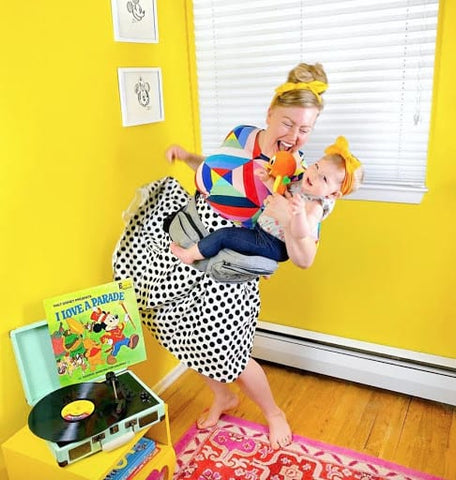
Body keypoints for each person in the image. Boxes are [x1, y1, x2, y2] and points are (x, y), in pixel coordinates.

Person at [113, 63, 328, 449]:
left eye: (305, 129)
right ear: (269, 113)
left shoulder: (298, 173)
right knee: (177, 331)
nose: (295, 137)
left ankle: (273, 412)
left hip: (225, 262)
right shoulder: (241, 133)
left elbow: (304, 256)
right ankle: (222, 397)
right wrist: (189, 158)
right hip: (192, 231)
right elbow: (217, 172)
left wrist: (292, 218)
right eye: (288, 123)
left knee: (228, 350)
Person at [170, 136, 363, 266]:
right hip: (263, 228)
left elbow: (301, 233)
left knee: (225, 236)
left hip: (272, 242)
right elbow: (280, 193)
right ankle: (255, 259)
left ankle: (190, 255)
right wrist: (268, 180)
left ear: (332, 194)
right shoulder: (304, 181)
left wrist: (296, 215)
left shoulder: (316, 206)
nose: (314, 174)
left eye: (324, 179)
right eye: (317, 166)